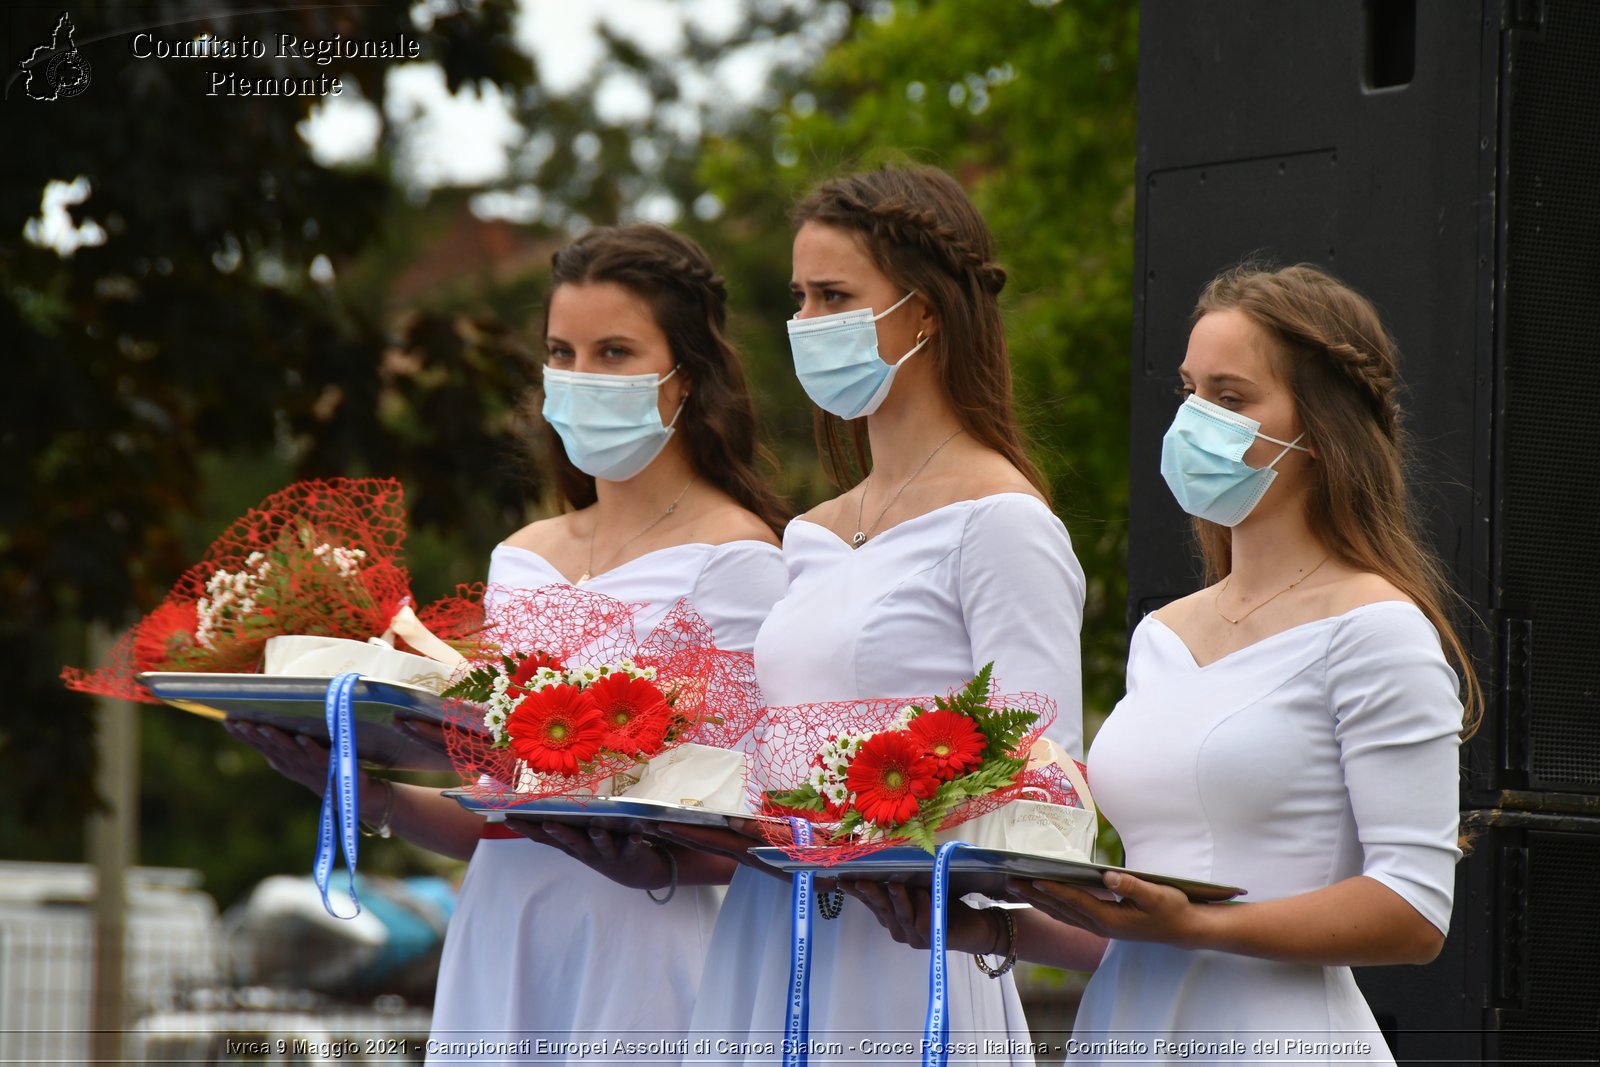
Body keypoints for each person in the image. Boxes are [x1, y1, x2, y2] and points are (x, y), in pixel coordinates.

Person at [846, 262, 1478, 1065]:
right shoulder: (1163, 635)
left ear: (1321, 429)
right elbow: (1143, 935)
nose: (1196, 420)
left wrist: (1195, 923)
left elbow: (1414, 910)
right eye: (1190, 392)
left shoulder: (1377, 629)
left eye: (1232, 396)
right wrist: (988, 923)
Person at [228, 224, 790, 1062]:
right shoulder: (522, 555)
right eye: (562, 352)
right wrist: (362, 788)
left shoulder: (739, 557)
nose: (579, 378)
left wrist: (651, 858)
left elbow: (759, 830)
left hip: (642, 950)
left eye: (614, 352)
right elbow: (505, 815)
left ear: (687, 377)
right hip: (500, 932)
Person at [662, 165, 1086, 1065]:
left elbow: (1045, 777)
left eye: (835, 296)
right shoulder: (812, 533)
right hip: (771, 928)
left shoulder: (1002, 521)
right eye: (799, 297)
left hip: (906, 953)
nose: (806, 324)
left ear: (924, 313)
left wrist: (885, 834)